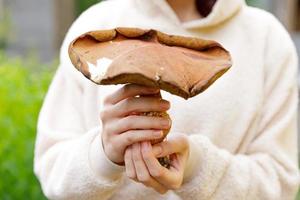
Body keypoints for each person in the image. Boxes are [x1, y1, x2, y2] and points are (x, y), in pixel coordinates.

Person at [34, 0, 300, 199]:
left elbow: (280, 185)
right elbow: (52, 171)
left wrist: (198, 167)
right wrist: (103, 154)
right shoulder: (95, 27)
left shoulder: (266, 39)